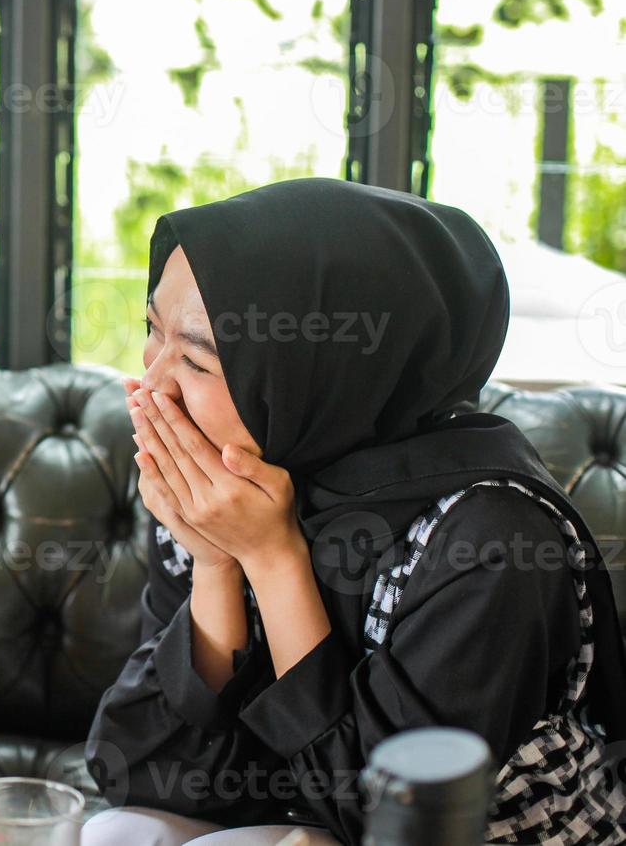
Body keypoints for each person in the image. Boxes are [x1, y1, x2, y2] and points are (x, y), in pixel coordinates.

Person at [81, 179, 626, 846]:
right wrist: (215, 562)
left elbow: (385, 821)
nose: (153, 383)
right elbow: (143, 771)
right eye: (152, 332)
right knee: (117, 832)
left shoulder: (491, 540)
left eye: (196, 357)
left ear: (322, 364)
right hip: (301, 818)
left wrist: (274, 559)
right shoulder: (226, 476)